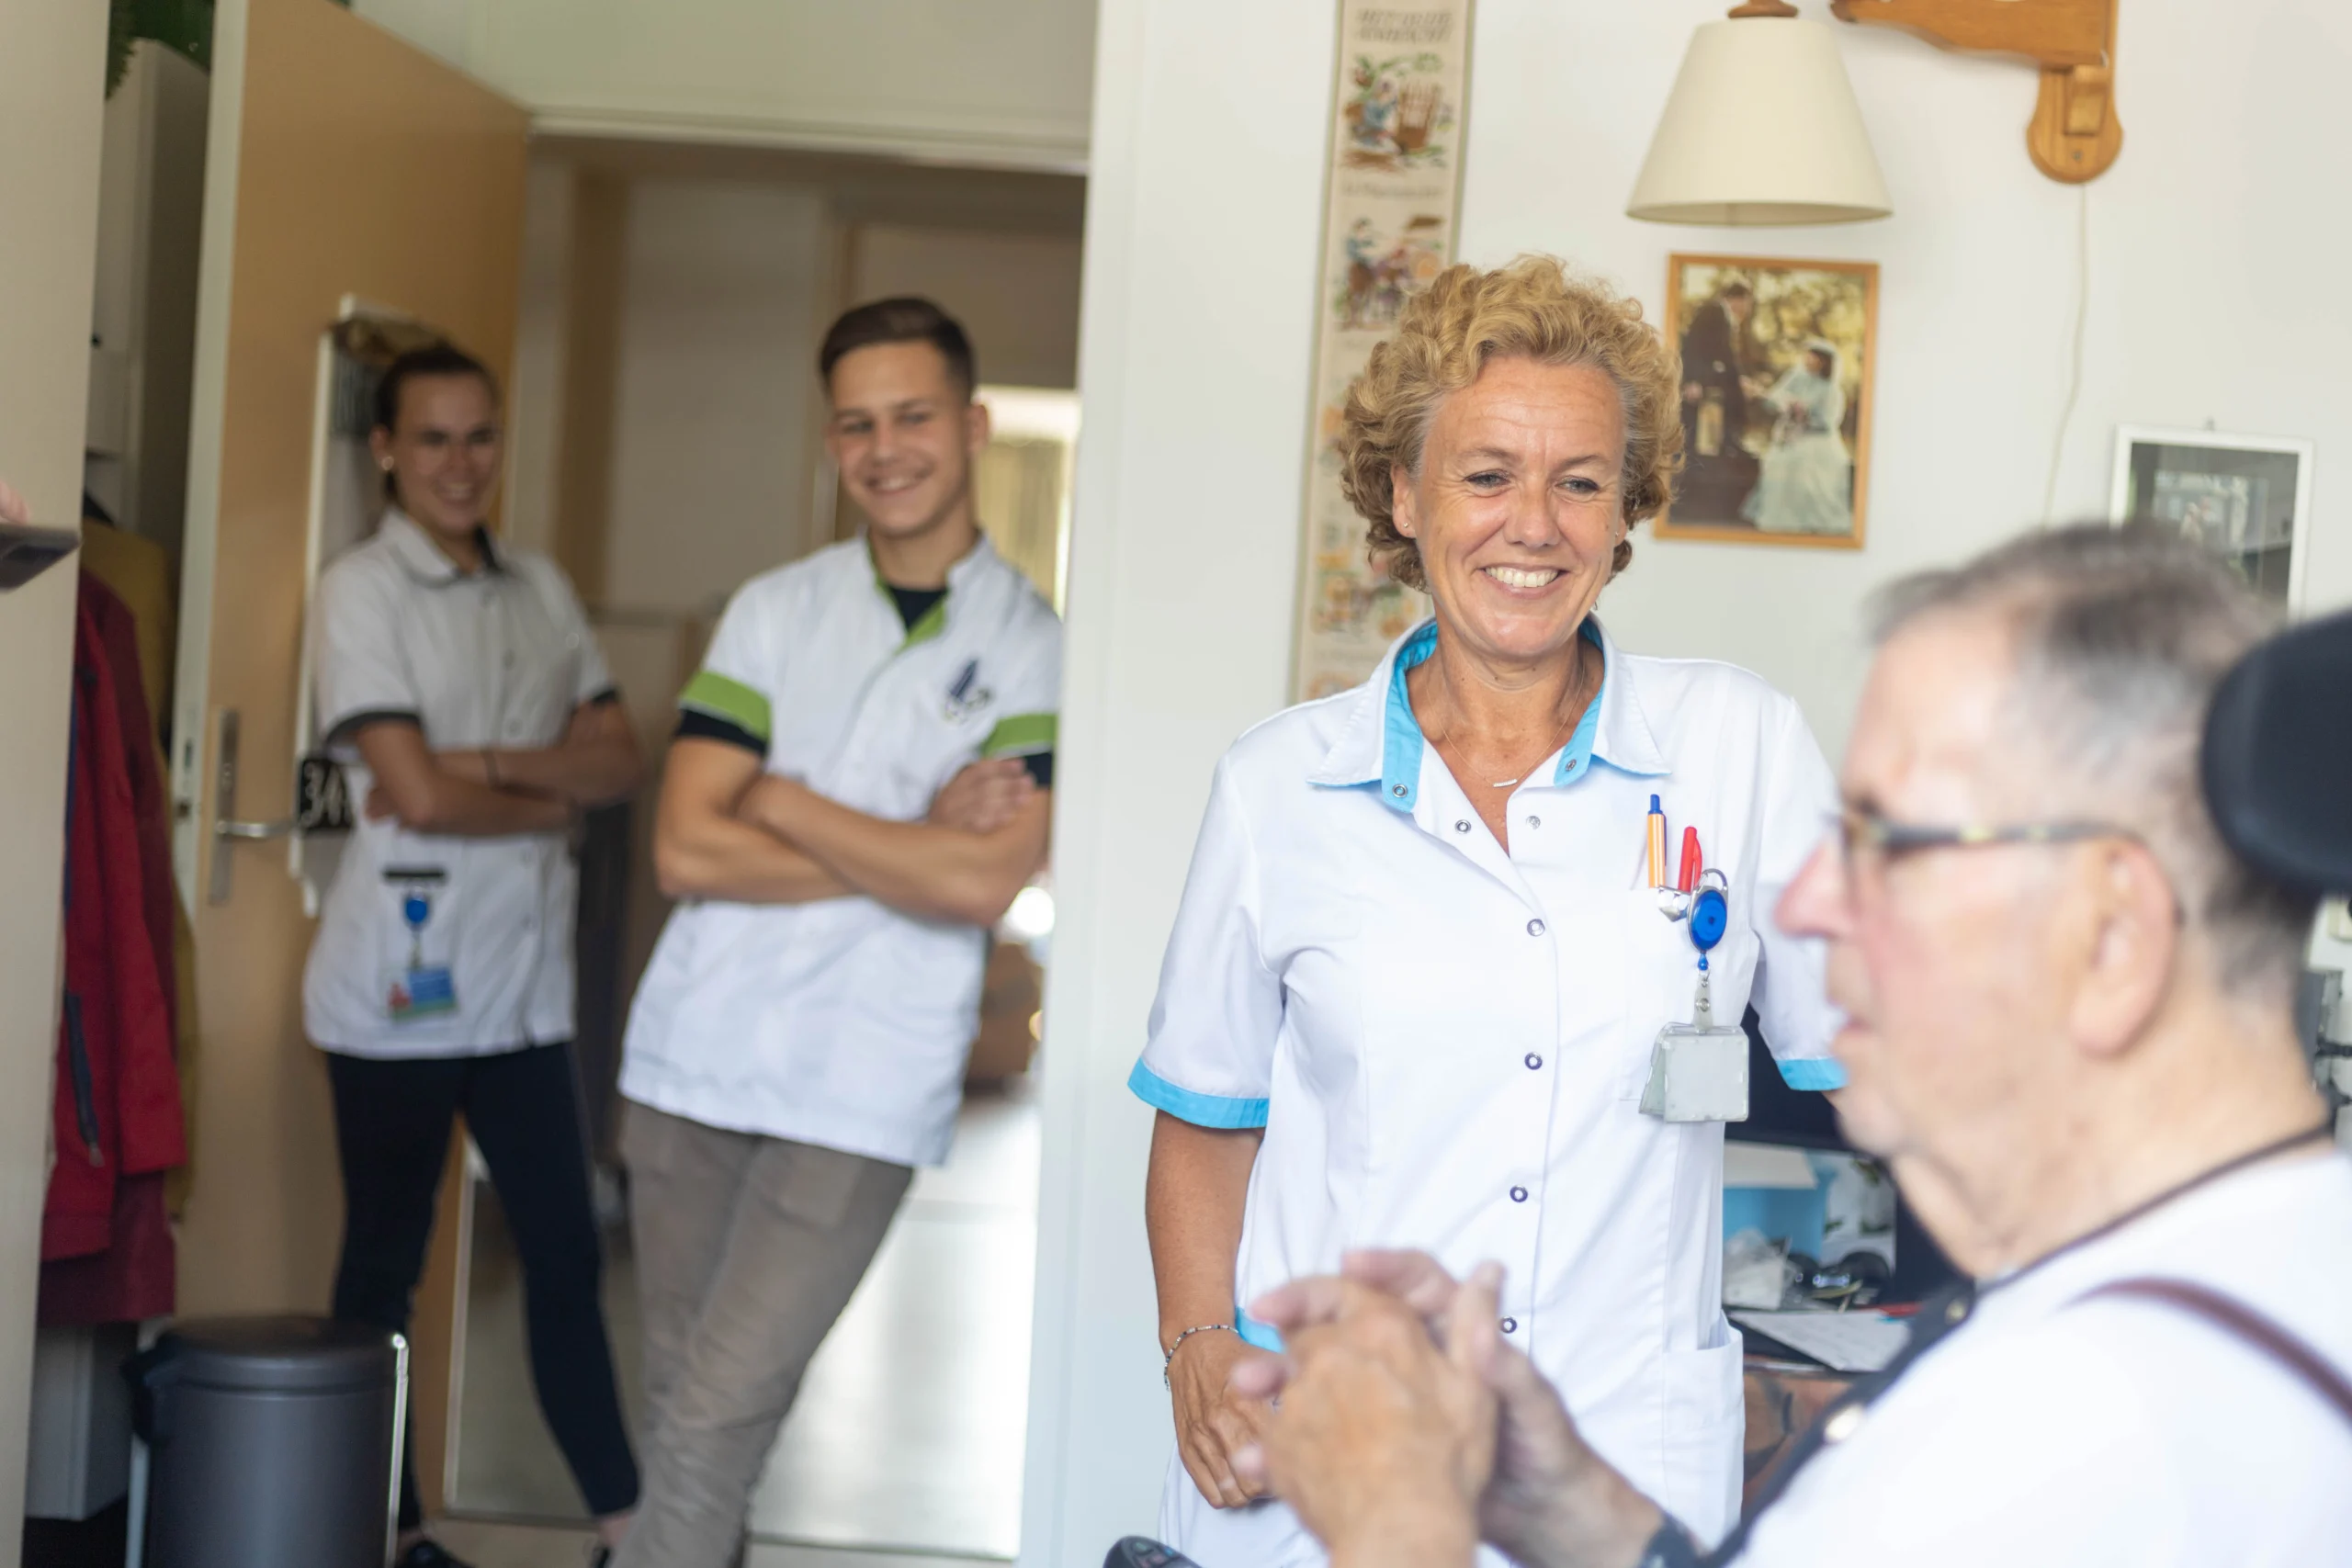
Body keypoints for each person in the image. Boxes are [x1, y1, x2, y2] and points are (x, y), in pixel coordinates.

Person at [1233, 525, 2352, 1568]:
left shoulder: (2092, 1427)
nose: (1807, 900)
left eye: (1884, 838)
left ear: (2111, 935)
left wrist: (1396, 1517)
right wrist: (1577, 1515)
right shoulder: (2219, 1282)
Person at [1130, 255, 1844, 1564]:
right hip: (1332, 1455)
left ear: (1626, 514)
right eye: (1486, 474)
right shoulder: (1278, 786)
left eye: (1580, 481)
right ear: (1402, 494)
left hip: (1620, 1459)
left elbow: (1891, 1058)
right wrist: (1197, 1347)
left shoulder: (1740, 748)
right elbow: (1204, 1116)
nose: (1536, 523)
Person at [614, 297, 1060, 1568]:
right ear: (832, 445)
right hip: (692, 1059)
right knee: (683, 1412)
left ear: (971, 425)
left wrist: (791, 796)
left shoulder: (1032, 648)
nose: (886, 446)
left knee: (712, 1415)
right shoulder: (774, 609)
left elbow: (983, 881)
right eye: (856, 423)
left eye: (913, 414)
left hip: (860, 1087)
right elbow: (683, 845)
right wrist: (905, 836)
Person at [305, 344, 643, 1568]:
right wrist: (545, 790)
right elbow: (409, 792)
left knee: (563, 1250)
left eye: (480, 435)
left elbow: (620, 761)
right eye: (434, 438)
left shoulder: (538, 584)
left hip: (520, 993)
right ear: (387, 448)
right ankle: (393, 1529)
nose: (462, 462)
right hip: (394, 996)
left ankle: (628, 1524)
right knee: (384, 1266)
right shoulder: (363, 591)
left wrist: (489, 768)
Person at [1738, 341, 1851, 537]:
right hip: (1790, 434)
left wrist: (1805, 416)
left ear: (1824, 363)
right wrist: (1779, 402)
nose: (1808, 361)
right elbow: (1775, 400)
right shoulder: (1796, 377)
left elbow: (1827, 423)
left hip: (1817, 439)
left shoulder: (1831, 389)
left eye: (1814, 358)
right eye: (1807, 356)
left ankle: (1807, 518)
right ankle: (1781, 517)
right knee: (1778, 461)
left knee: (1803, 464)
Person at [1675, 281, 1754, 518]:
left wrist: (1738, 378)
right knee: (1692, 430)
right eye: (1745, 303)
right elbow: (1692, 346)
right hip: (1701, 381)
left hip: (1712, 380)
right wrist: (1692, 380)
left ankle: (1730, 442)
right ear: (1737, 299)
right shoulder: (1713, 312)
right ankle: (1687, 490)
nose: (1746, 309)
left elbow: (1723, 354)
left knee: (1730, 401)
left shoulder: (1722, 316)